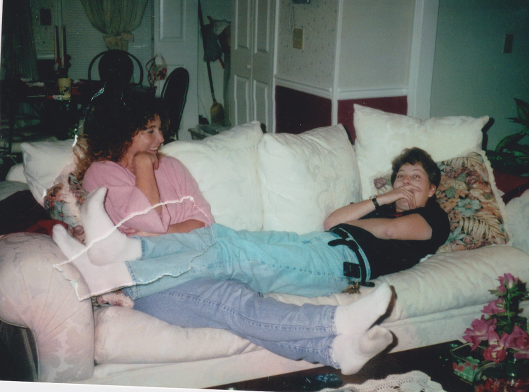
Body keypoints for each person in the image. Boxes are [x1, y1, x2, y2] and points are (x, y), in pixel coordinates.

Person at [55, 93, 396, 375]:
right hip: (152, 286)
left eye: (160, 130)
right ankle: (336, 322)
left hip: (193, 261)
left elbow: (203, 224)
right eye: (150, 131)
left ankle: (337, 350)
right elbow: (153, 222)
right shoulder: (102, 173)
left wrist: (149, 236)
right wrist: (143, 167)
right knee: (233, 290)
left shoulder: (172, 167)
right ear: (121, 134)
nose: (161, 139)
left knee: (231, 279)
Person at [54, 138, 450, 301]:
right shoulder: (381, 204)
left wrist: (381, 206)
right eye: (401, 177)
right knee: (222, 236)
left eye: (415, 178)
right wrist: (381, 199)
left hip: (341, 265)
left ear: (432, 188)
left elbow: (389, 230)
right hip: (315, 242)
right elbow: (332, 221)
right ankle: (126, 249)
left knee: (231, 258)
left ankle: (117, 279)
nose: (406, 184)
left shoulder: (432, 219)